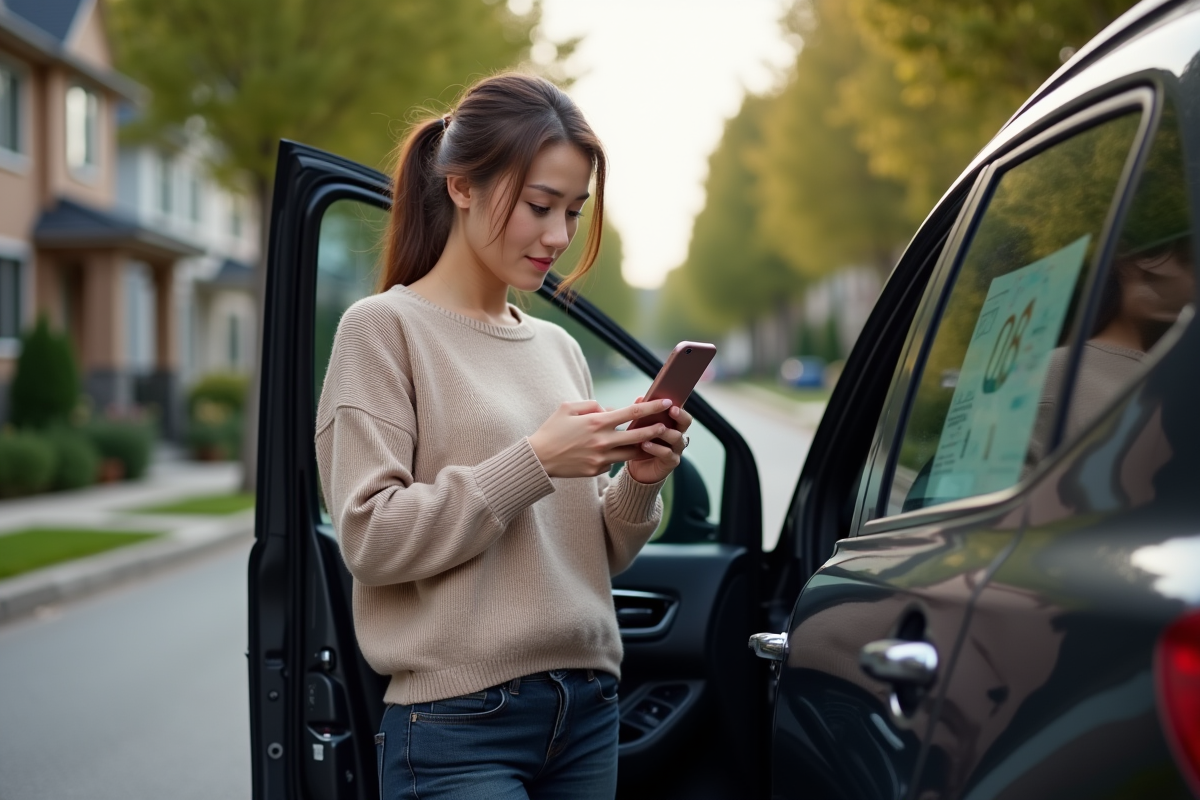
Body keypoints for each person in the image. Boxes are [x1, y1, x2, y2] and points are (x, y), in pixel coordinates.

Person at [314, 73, 690, 800]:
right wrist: (534, 460)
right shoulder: (383, 330)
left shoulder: (558, 348)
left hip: (588, 709)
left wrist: (640, 483)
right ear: (461, 186)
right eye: (539, 206)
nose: (559, 236)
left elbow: (587, 558)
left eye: (573, 212)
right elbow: (370, 538)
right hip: (458, 724)